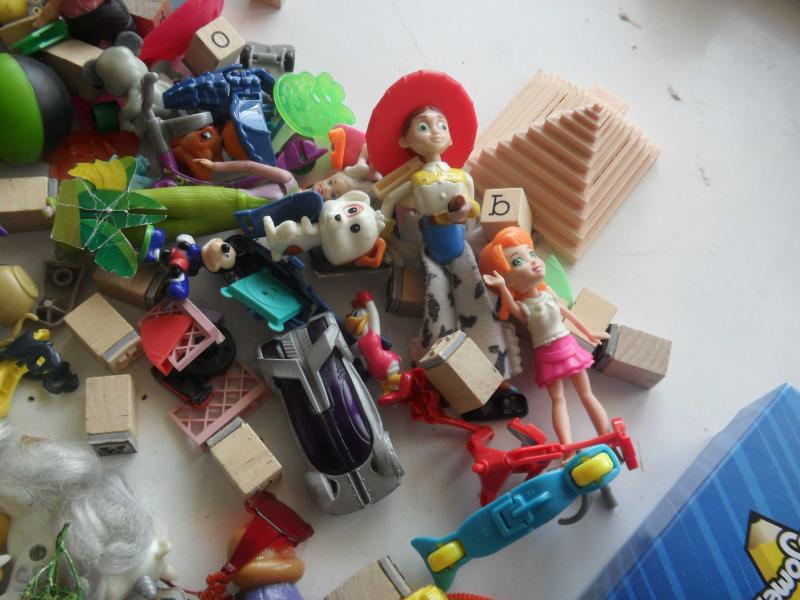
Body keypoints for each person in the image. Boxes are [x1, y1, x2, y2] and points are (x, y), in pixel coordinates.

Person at [366, 71, 520, 379]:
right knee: (437, 303)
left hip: (460, 245)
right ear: (405, 141)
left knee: (475, 299)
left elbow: (474, 207)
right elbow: (390, 198)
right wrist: (381, 223)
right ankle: (442, 365)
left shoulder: (462, 176)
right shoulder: (416, 178)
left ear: (451, 137)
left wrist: (464, 210)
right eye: (423, 127)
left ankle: (492, 362)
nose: (435, 132)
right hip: (431, 248)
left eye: (442, 126)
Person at [478, 226, 611, 452]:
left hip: (567, 345)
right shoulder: (523, 307)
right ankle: (567, 449)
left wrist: (589, 334)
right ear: (507, 281)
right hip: (547, 354)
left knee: (586, 394)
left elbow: (569, 315)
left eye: (531, 253)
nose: (532, 261)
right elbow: (510, 305)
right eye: (518, 261)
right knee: (558, 400)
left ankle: (607, 437)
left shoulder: (549, 294)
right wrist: (501, 287)